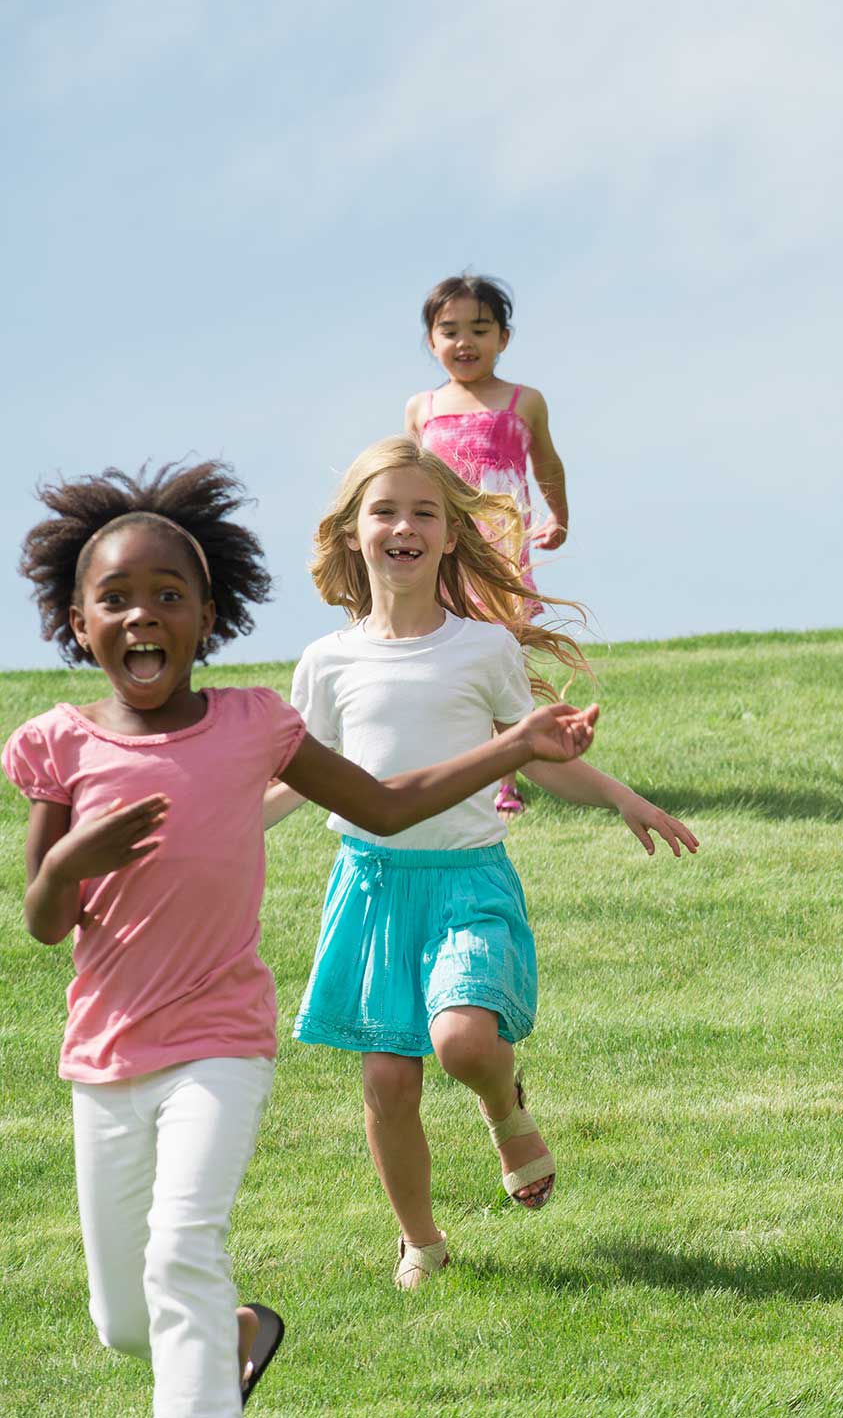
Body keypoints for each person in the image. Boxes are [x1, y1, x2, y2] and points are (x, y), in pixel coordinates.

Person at [7, 461, 597, 1415]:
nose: (143, 616)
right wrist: (72, 858)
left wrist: (517, 745)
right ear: (79, 624)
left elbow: (383, 802)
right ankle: (240, 1331)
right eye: (115, 599)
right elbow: (41, 922)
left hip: (221, 1040)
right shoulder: (57, 744)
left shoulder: (253, 724)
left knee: (182, 1248)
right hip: (105, 1048)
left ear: (210, 618)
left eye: (169, 597)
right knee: (125, 1321)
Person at [263, 438, 695, 1288]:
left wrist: (621, 796)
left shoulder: (483, 649)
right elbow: (300, 780)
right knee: (389, 1080)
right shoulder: (327, 661)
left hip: (467, 880)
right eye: (384, 511)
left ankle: (504, 1105)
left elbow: (533, 754)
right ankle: (420, 1240)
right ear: (351, 532)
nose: (404, 526)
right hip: (371, 889)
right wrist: (220, 833)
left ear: (452, 535)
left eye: (424, 512)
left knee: (462, 1042)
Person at [403, 272, 571, 818]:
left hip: (500, 553)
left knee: (502, 659)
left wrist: (558, 515)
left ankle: (507, 776)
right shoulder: (421, 409)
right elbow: (403, 476)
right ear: (432, 341)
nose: (464, 342)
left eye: (480, 329)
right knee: (439, 653)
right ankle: (448, 768)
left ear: (504, 337)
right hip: (442, 551)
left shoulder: (525, 402)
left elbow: (546, 462)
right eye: (449, 331)